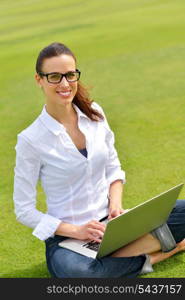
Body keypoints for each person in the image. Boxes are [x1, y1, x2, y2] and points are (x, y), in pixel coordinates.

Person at [13, 42, 185, 278]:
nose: (64, 84)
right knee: (79, 275)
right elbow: (24, 210)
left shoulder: (95, 113)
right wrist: (77, 231)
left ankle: (119, 253)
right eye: (54, 76)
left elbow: (113, 168)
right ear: (39, 80)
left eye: (70, 75)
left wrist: (115, 206)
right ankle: (156, 253)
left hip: (113, 226)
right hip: (68, 239)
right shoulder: (31, 140)